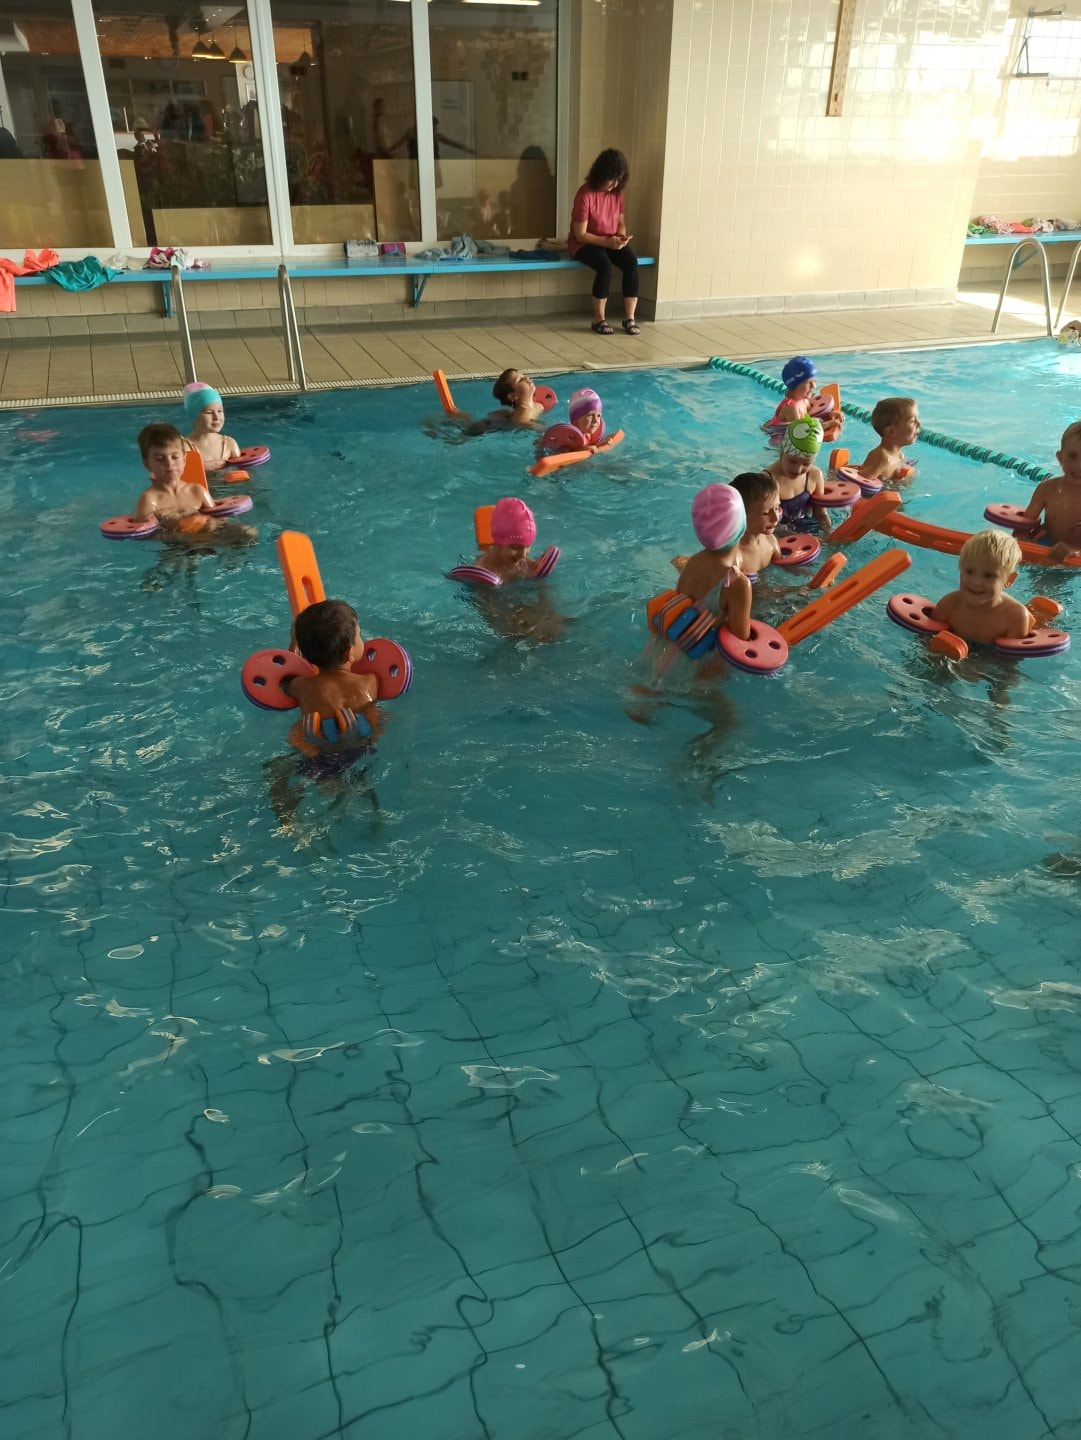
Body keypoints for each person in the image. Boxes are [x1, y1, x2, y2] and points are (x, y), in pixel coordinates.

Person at [280, 600, 381, 755]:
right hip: (360, 747)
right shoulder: (369, 683)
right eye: (359, 636)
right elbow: (377, 723)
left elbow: (284, 679)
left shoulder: (302, 686)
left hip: (317, 750)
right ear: (349, 653)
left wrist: (294, 641)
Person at [132, 422, 253, 544]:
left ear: (184, 459)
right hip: (178, 547)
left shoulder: (197, 491)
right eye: (160, 459)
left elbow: (220, 520)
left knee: (248, 532)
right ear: (146, 463)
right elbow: (146, 535)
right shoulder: (149, 501)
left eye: (175, 457)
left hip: (207, 538)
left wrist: (211, 523)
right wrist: (179, 535)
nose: (169, 463)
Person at [568, 148, 640, 336]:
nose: (615, 183)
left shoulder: (617, 193)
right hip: (584, 243)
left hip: (609, 241)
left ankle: (629, 318)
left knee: (631, 262)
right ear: (601, 174)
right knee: (605, 267)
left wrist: (621, 237)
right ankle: (599, 319)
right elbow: (580, 234)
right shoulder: (585, 195)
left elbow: (621, 223)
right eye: (612, 178)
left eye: (619, 179)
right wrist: (608, 243)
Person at [674, 484, 752, 642]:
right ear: (743, 524)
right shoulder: (738, 584)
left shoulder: (691, 563)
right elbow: (741, 641)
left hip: (669, 646)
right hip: (705, 656)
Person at [931, 530, 1034, 644]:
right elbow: (928, 637)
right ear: (960, 570)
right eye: (969, 571)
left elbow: (1011, 654)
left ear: (1009, 580)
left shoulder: (1015, 616)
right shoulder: (949, 604)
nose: (976, 582)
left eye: (988, 575)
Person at [1021, 419, 1081, 562]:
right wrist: (1022, 542)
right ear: (1060, 457)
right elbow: (1024, 525)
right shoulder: (1046, 489)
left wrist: (1075, 551)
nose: (1079, 465)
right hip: (1044, 547)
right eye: (1072, 456)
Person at [765, 418, 834, 536]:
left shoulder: (814, 475)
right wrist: (801, 538)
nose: (798, 469)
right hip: (778, 536)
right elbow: (766, 525)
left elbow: (821, 513)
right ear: (782, 452)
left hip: (805, 528)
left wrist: (829, 533)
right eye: (792, 461)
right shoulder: (767, 481)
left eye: (806, 464)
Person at [474, 497, 550, 580]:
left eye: (528, 546)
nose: (523, 555)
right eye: (516, 547)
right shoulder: (483, 570)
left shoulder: (521, 561)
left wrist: (538, 568)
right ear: (498, 542)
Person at [730, 470, 783, 579]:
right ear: (741, 515)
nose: (776, 518)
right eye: (766, 513)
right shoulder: (734, 556)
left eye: (777, 508)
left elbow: (784, 566)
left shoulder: (770, 541)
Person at [857, 397, 920, 484]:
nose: (919, 424)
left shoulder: (900, 456)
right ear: (891, 431)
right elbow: (861, 481)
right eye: (912, 421)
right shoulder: (883, 457)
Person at [182, 381, 241, 472]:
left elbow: (244, 472)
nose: (216, 417)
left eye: (220, 411)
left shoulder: (229, 444)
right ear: (193, 415)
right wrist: (204, 467)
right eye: (209, 412)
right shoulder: (186, 447)